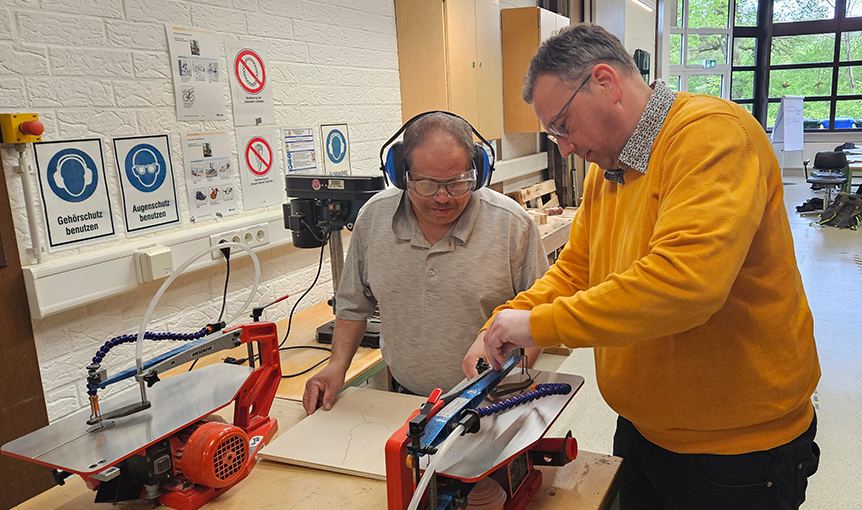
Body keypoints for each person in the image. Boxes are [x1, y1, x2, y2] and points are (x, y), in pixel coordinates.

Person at [477, 23, 821, 509]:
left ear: (605, 82)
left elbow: (686, 284)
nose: (564, 146)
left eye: (562, 125)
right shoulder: (610, 171)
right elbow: (577, 270)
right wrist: (506, 320)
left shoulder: (710, 137)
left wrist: (538, 325)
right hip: (644, 432)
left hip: (735, 452)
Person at [303, 112, 549, 414]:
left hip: (493, 401)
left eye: (457, 182)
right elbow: (353, 305)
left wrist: (506, 381)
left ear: (478, 171)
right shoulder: (374, 220)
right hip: (406, 401)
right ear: (401, 174)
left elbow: (540, 318)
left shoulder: (513, 225)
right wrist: (336, 366)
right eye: (427, 185)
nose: (443, 197)